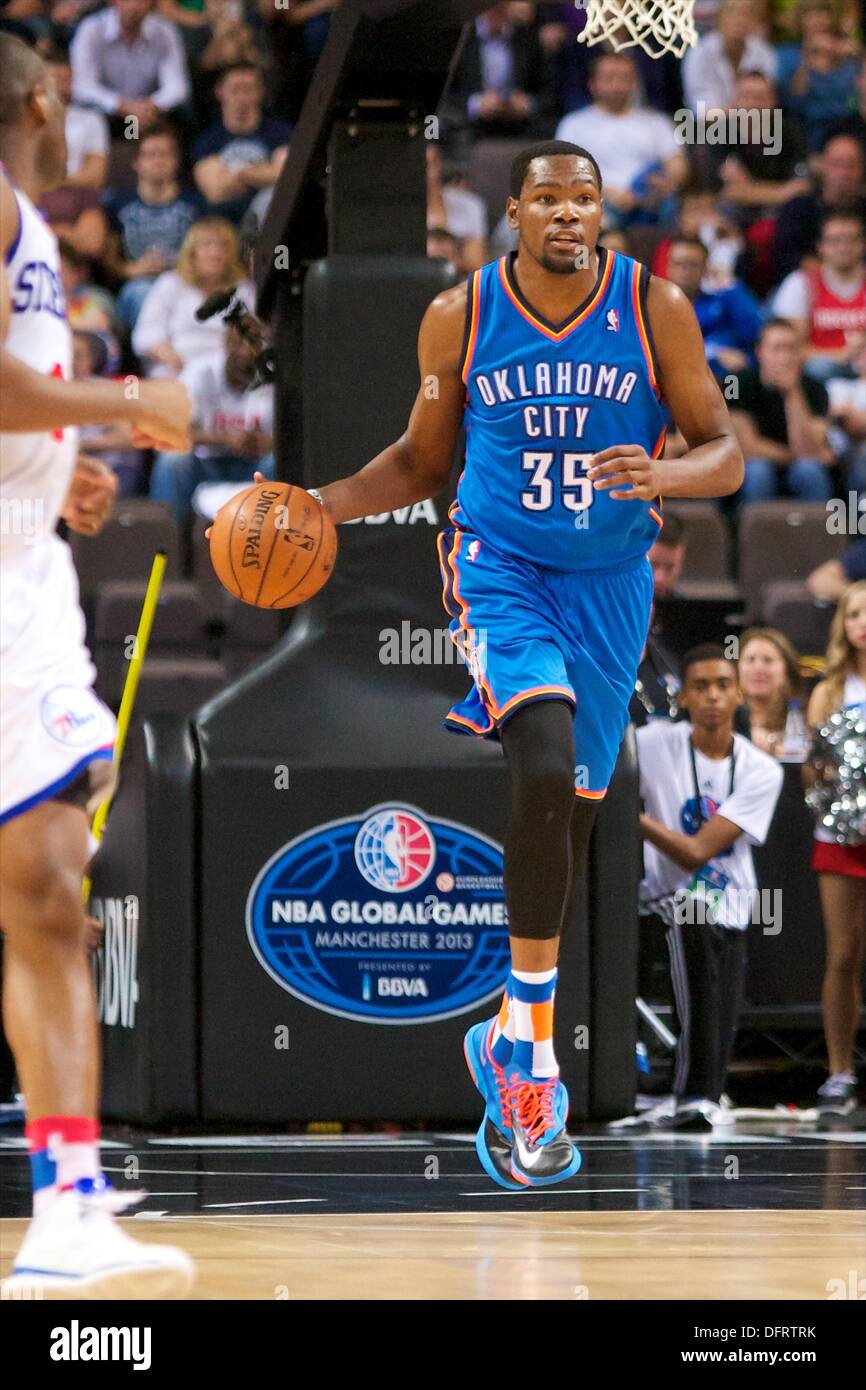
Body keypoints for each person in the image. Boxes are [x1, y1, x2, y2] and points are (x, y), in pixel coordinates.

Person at [223, 140, 744, 1188]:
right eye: (546, 197)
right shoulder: (458, 314)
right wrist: (320, 503)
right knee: (541, 762)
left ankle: (508, 1032)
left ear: (602, 214)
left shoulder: (657, 310)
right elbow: (422, 461)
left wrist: (669, 470)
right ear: (511, 212)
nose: (566, 213)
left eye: (583, 198)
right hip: (497, 566)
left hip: (609, 587)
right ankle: (538, 1065)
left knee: (575, 815)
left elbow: (723, 448)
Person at [0, 32, 194, 1297]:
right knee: (46, 888)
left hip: (21, 583)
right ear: (37, 97)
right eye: (66, 100)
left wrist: (44, 468)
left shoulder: (23, 221)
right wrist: (126, 402)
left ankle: (66, 1201)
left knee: (48, 884)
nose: (76, 120)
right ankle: (65, 1198)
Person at [636, 645, 784, 1129]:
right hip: (663, 899)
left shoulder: (762, 769)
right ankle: (691, 1093)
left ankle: (704, 1092)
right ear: (683, 697)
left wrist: (635, 820)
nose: (713, 697)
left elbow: (698, 851)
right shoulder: (656, 742)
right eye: (700, 687)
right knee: (689, 915)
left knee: (719, 1004)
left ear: (739, 694)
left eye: (723, 686)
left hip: (735, 902)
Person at [804, 579, 866, 1114]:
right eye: (853, 613)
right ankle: (839, 1070)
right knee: (843, 952)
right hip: (840, 836)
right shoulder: (829, 689)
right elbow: (813, 768)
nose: (862, 623)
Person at [150, 321, 273, 520]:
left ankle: (278, 542)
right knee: (172, 460)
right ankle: (165, 541)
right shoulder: (199, 373)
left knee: (278, 460)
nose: (246, 352)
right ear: (226, 343)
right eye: (239, 343)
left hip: (253, 467)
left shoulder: (273, 377)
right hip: (206, 465)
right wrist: (226, 440)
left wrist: (269, 442)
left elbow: (294, 436)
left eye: (255, 345)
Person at [555, 52, 687, 229]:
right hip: (599, 201)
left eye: (624, 77)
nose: (617, 85)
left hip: (649, 200)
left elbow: (677, 162)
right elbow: (564, 173)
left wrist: (669, 180)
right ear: (592, 84)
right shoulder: (573, 124)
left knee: (672, 206)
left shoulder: (657, 122)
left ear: (634, 83)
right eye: (610, 78)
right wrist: (607, 193)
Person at [102, 122, 202, 328]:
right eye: (150, 154)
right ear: (137, 162)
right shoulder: (117, 204)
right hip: (139, 285)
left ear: (175, 161)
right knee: (141, 294)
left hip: (185, 282)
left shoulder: (195, 204)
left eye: (164, 154)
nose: (158, 161)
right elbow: (108, 259)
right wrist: (130, 270)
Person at [132, 215, 253, 376]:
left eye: (224, 246)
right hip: (176, 366)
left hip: (225, 372)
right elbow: (147, 334)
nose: (215, 253)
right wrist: (170, 356)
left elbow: (254, 336)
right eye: (207, 245)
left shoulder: (244, 289)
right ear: (192, 252)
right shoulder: (170, 283)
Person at [729, 317, 833, 503]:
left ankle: (821, 531)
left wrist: (792, 393)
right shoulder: (735, 382)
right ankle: (752, 531)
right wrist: (795, 455)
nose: (785, 357)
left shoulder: (816, 388)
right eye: (777, 349)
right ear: (760, 352)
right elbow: (744, 447)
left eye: (791, 349)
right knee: (758, 470)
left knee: (810, 471)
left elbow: (807, 450)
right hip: (756, 465)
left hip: (799, 467)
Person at [772, 211, 866, 384]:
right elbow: (791, 350)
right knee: (819, 367)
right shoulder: (800, 284)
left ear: (863, 244)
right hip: (820, 377)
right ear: (820, 246)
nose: (844, 247)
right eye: (835, 240)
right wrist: (841, 354)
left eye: (851, 239)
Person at [192, 61, 291, 223]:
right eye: (235, 90)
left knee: (271, 195)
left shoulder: (280, 133)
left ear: (260, 92)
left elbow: (286, 178)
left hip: (269, 222)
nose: (241, 97)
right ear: (220, 92)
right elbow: (216, 191)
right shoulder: (208, 140)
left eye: (248, 90)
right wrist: (263, 174)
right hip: (224, 223)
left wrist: (238, 171)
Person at [70, 0, 190, 129]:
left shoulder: (164, 31)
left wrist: (151, 105)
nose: (133, 6)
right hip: (106, 118)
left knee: (179, 118)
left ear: (151, 3)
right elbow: (83, 87)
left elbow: (177, 88)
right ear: (113, 2)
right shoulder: (91, 30)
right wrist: (122, 106)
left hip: (150, 117)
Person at [662, 234, 762, 376]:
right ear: (668, 267)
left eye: (692, 265)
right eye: (678, 264)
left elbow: (755, 331)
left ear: (705, 269)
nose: (684, 271)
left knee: (736, 381)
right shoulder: (654, 307)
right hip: (674, 383)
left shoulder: (721, 302)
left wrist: (731, 284)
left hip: (723, 381)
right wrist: (714, 353)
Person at [773, 133, 866, 280]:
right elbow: (786, 256)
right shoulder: (798, 208)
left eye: (851, 165)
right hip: (806, 285)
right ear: (823, 166)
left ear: (862, 169)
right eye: (837, 164)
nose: (844, 173)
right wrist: (835, 275)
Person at [630, 514, 687, 726]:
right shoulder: (617, 611)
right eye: (654, 566)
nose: (660, 578)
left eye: (670, 568)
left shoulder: (687, 616)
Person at [682, 0, 778, 113]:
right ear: (718, 19)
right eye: (732, 13)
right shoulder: (699, 54)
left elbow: (767, 103)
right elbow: (702, 111)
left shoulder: (764, 53)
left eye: (746, 14)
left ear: (755, 22)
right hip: (710, 127)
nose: (739, 21)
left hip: (754, 124)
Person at [44, 42, 109, 192]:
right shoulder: (24, 119)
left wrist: (57, 183)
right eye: (54, 79)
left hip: (78, 195)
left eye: (66, 80)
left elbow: (96, 176)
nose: (60, 86)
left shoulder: (92, 119)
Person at [738, 627, 806, 758]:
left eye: (768, 660)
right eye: (750, 659)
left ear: (786, 672)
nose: (758, 668)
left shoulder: (802, 718)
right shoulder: (726, 718)